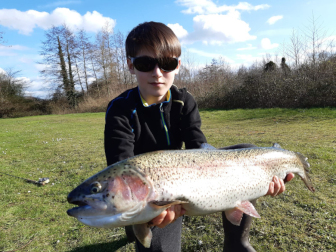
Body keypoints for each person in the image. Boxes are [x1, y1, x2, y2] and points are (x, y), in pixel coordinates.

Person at [104, 21, 293, 252]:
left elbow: (198, 147)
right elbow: (119, 164)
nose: (157, 73)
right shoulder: (119, 109)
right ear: (130, 65)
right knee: (137, 221)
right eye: (145, 63)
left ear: (177, 66)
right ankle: (132, 223)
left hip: (182, 179)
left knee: (246, 150)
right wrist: (149, 207)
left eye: (167, 63)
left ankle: (237, 243)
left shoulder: (184, 100)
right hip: (146, 189)